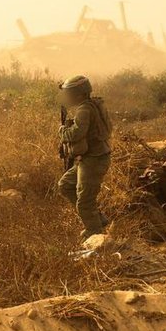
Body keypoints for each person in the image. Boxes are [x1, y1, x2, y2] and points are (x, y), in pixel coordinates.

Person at [56, 74, 112, 239]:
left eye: (70, 94)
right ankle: (97, 219)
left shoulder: (84, 110)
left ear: (79, 94)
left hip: (93, 160)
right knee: (66, 185)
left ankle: (94, 232)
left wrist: (62, 131)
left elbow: (76, 134)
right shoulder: (94, 105)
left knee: (85, 200)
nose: (67, 97)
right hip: (91, 158)